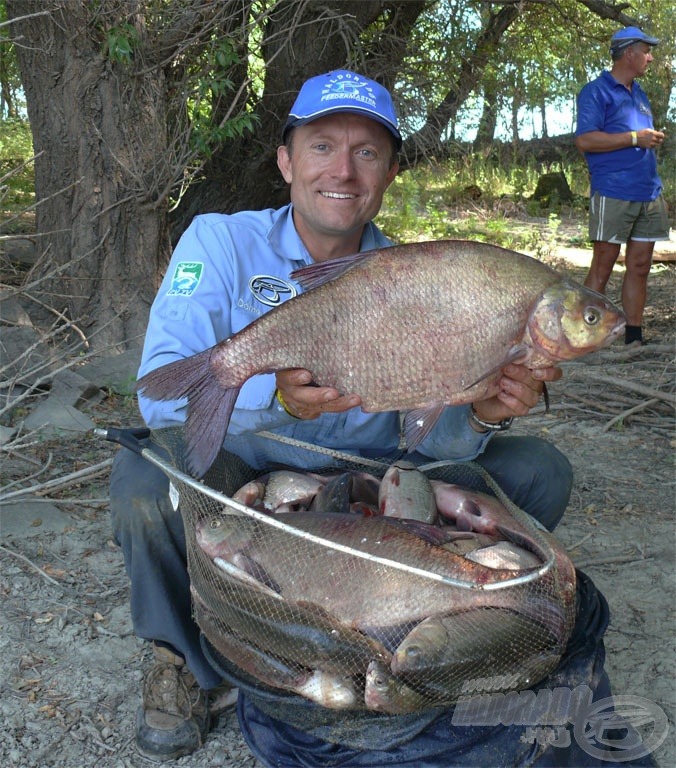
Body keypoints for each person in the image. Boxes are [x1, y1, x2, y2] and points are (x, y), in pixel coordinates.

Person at [110, 70, 574, 763]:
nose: (344, 170)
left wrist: (478, 413)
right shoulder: (221, 242)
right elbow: (159, 398)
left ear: (388, 172)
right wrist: (276, 396)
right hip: (248, 459)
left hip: (369, 473)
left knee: (538, 472)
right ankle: (179, 657)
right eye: (323, 145)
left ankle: (409, 633)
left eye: (367, 152)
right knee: (144, 482)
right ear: (286, 160)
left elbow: (424, 434)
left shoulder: (411, 275)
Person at [575, 26, 670, 346]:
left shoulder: (639, 94)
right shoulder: (595, 91)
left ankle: (634, 335)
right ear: (628, 53)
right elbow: (586, 140)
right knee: (602, 265)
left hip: (648, 194)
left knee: (641, 265)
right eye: (646, 50)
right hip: (614, 191)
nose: (650, 57)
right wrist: (634, 138)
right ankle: (581, 338)